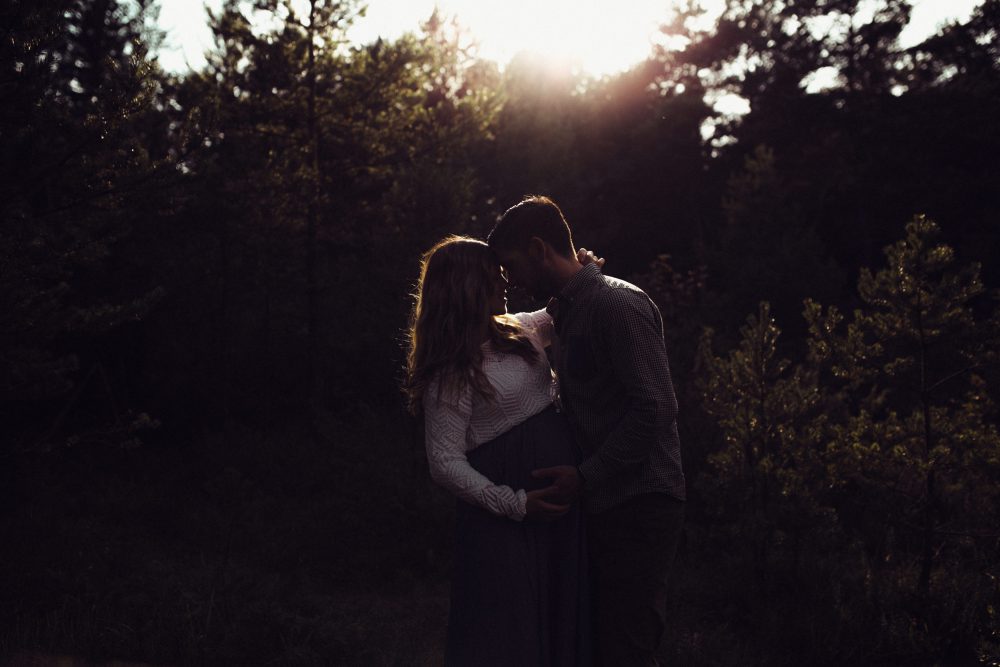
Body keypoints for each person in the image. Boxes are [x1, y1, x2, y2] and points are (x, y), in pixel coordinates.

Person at [488, 196, 686, 667]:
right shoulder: (568, 309)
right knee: (599, 642)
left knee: (627, 645)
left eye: (511, 266)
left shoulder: (618, 305)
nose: (510, 281)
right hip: (603, 502)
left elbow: (655, 407)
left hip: (639, 500)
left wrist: (585, 475)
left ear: (538, 249)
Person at [404, 235, 599, 666]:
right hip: (506, 520)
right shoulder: (451, 372)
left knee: (559, 618)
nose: (504, 280)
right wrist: (514, 503)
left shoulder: (521, 329)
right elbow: (444, 462)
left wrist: (581, 266)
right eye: (493, 274)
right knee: (509, 633)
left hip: (559, 510)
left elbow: (569, 303)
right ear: (467, 286)